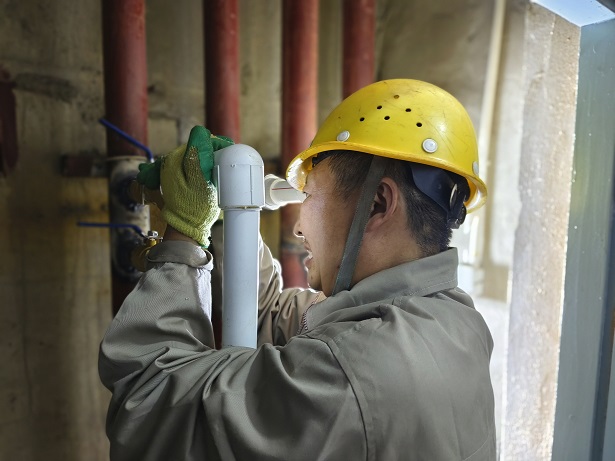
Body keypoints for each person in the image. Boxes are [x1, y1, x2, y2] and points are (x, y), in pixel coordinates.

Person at [99, 79, 496, 460]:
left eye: (309, 195)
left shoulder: (347, 376)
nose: (299, 228)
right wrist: (222, 211)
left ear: (377, 203)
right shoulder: (456, 322)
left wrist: (185, 234)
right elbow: (269, 312)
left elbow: (147, 404)